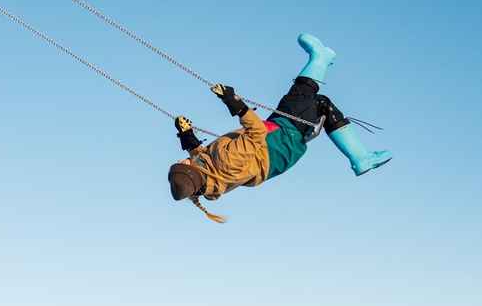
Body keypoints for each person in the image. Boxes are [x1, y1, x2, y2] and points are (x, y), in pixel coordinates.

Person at [168, 33, 391, 223]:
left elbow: (203, 158)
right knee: (313, 99)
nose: (179, 161)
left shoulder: (210, 182)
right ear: (190, 171)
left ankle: (323, 58)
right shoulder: (227, 161)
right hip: (280, 138)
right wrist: (231, 100)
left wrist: (186, 135)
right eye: (179, 166)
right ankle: (360, 157)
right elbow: (255, 131)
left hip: (277, 142)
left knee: (306, 99)